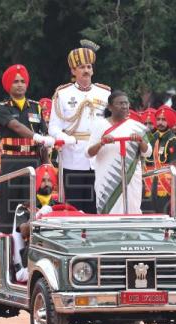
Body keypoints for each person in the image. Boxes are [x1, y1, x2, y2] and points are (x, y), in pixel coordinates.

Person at [48, 41, 111, 214]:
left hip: (98, 156)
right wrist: (66, 139)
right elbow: (53, 127)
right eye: (81, 67)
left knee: (97, 205)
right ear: (73, 71)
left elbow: (112, 122)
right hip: (73, 156)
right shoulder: (63, 94)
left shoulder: (104, 93)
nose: (86, 70)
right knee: (75, 207)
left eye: (89, 67)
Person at [0, 64, 53, 233]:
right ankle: (6, 247)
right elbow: (16, 126)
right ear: (8, 86)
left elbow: (43, 135)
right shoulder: (2, 108)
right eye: (15, 82)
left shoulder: (36, 107)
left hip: (32, 162)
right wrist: (35, 137)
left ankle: (26, 248)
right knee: (8, 206)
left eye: (22, 81)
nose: (20, 84)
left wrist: (47, 164)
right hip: (11, 163)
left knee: (29, 206)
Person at [86, 90, 151, 214]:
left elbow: (147, 152)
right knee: (109, 215)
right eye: (120, 103)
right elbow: (88, 153)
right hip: (107, 180)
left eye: (126, 103)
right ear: (110, 107)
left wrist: (140, 141)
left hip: (131, 178)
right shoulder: (100, 125)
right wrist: (102, 143)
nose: (124, 106)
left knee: (132, 213)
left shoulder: (137, 127)